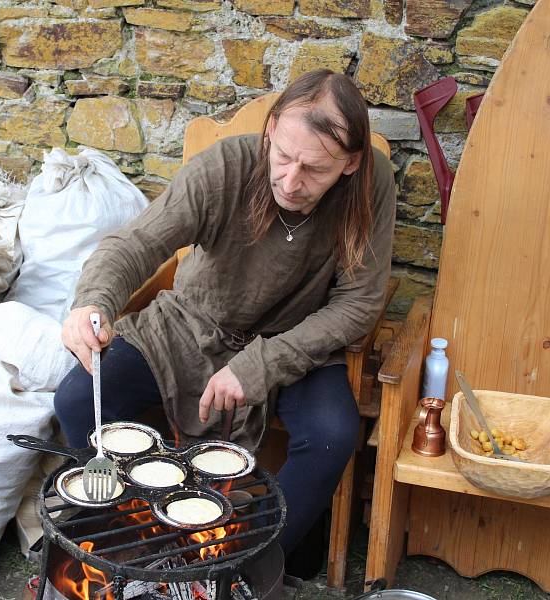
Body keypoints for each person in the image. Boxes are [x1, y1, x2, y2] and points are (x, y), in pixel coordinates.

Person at [54, 68, 396, 557]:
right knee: (77, 401)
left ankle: (248, 561)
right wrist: (93, 301)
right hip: (192, 325)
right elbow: (138, 243)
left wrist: (262, 363)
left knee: (330, 437)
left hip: (294, 339)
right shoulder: (225, 168)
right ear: (272, 128)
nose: (292, 182)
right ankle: (134, 534)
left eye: (315, 169)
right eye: (283, 157)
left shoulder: (371, 183)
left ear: (350, 163)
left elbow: (358, 302)